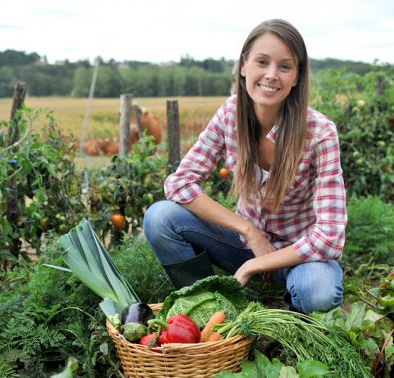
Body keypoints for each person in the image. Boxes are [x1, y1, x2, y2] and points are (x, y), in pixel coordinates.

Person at [143, 19, 347, 314]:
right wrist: (248, 230)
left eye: (285, 66)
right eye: (262, 62)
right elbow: (179, 183)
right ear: (243, 66)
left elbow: (329, 237)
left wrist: (258, 263)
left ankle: (290, 317)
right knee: (160, 217)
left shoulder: (320, 133)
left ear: (297, 77)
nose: (271, 75)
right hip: (241, 245)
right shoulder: (230, 114)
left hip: (299, 256)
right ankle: (213, 307)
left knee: (316, 292)